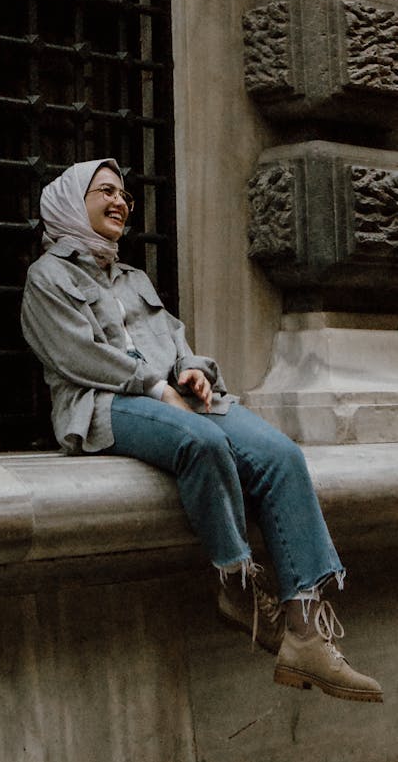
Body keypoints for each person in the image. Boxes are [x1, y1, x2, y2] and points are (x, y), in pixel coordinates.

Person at [21, 157, 383, 703]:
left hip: (179, 396)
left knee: (282, 456)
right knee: (203, 442)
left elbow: (174, 336)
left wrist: (192, 368)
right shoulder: (46, 278)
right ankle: (236, 585)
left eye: (125, 195)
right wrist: (156, 386)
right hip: (104, 404)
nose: (120, 202)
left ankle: (307, 635)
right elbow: (78, 356)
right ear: (73, 201)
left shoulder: (134, 278)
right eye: (106, 192)